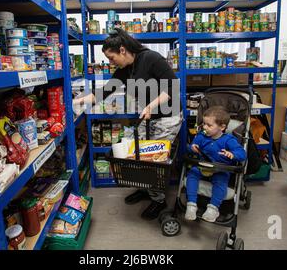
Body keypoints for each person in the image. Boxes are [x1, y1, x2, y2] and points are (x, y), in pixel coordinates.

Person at [74, 28, 182, 220]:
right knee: (132, 152)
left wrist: (151, 105)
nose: (110, 62)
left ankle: (158, 199)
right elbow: (103, 93)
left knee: (153, 160)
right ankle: (145, 188)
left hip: (167, 116)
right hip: (147, 116)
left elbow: (172, 87)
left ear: (122, 50)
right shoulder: (124, 70)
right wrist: (76, 101)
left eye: (111, 57)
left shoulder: (151, 58)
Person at [185, 106, 246, 222]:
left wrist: (232, 154)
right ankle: (191, 204)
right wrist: (192, 148)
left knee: (221, 181)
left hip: (220, 169)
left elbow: (242, 153)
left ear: (222, 127)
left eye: (209, 125)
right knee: (192, 174)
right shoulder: (201, 136)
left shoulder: (229, 140)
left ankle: (213, 208)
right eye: (204, 124)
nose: (204, 127)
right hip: (202, 166)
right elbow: (190, 147)